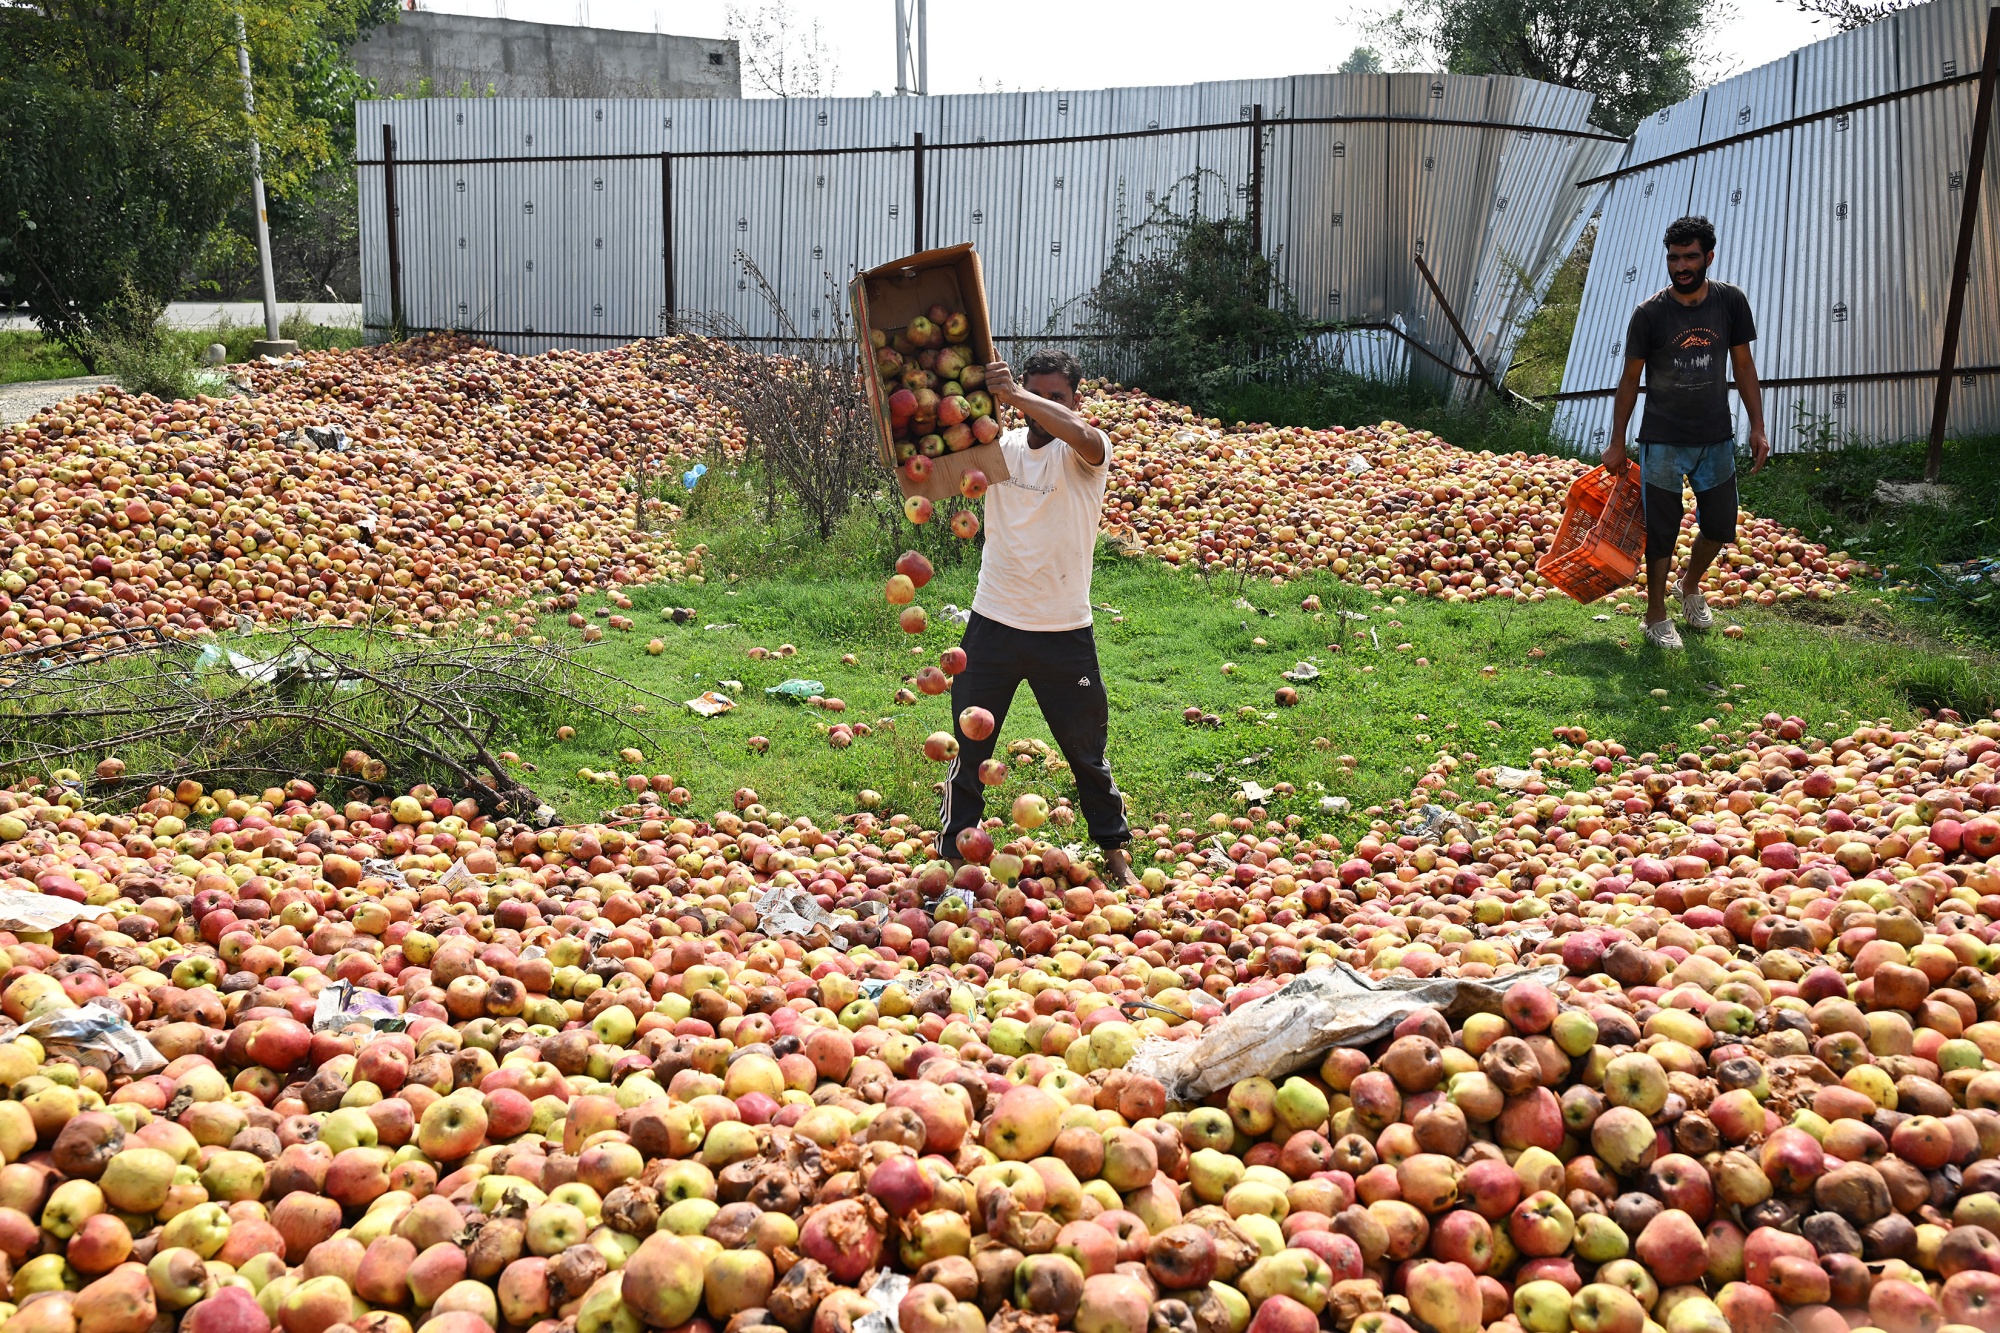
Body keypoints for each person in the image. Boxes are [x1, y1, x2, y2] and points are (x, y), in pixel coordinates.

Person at [936, 347, 1137, 888]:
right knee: (969, 746)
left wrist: (1016, 394)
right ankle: (956, 853)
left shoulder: (1086, 454)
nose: (1044, 406)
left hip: (1063, 631)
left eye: (1057, 397)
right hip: (993, 623)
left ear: (1075, 399)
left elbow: (1080, 433)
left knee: (1085, 749)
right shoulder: (998, 452)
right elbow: (934, 468)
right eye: (1035, 394)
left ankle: (1115, 851)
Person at [1604, 214, 1769, 651]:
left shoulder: (1730, 302)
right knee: (1662, 528)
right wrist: (1617, 439)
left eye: (1690, 256)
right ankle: (1655, 615)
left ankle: (1689, 586)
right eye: (1673, 257)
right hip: (1662, 439)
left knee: (1720, 523)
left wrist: (1758, 426)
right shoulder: (1650, 314)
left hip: (1714, 435)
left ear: (1708, 257)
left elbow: (1744, 366)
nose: (1680, 265)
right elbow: (1629, 380)